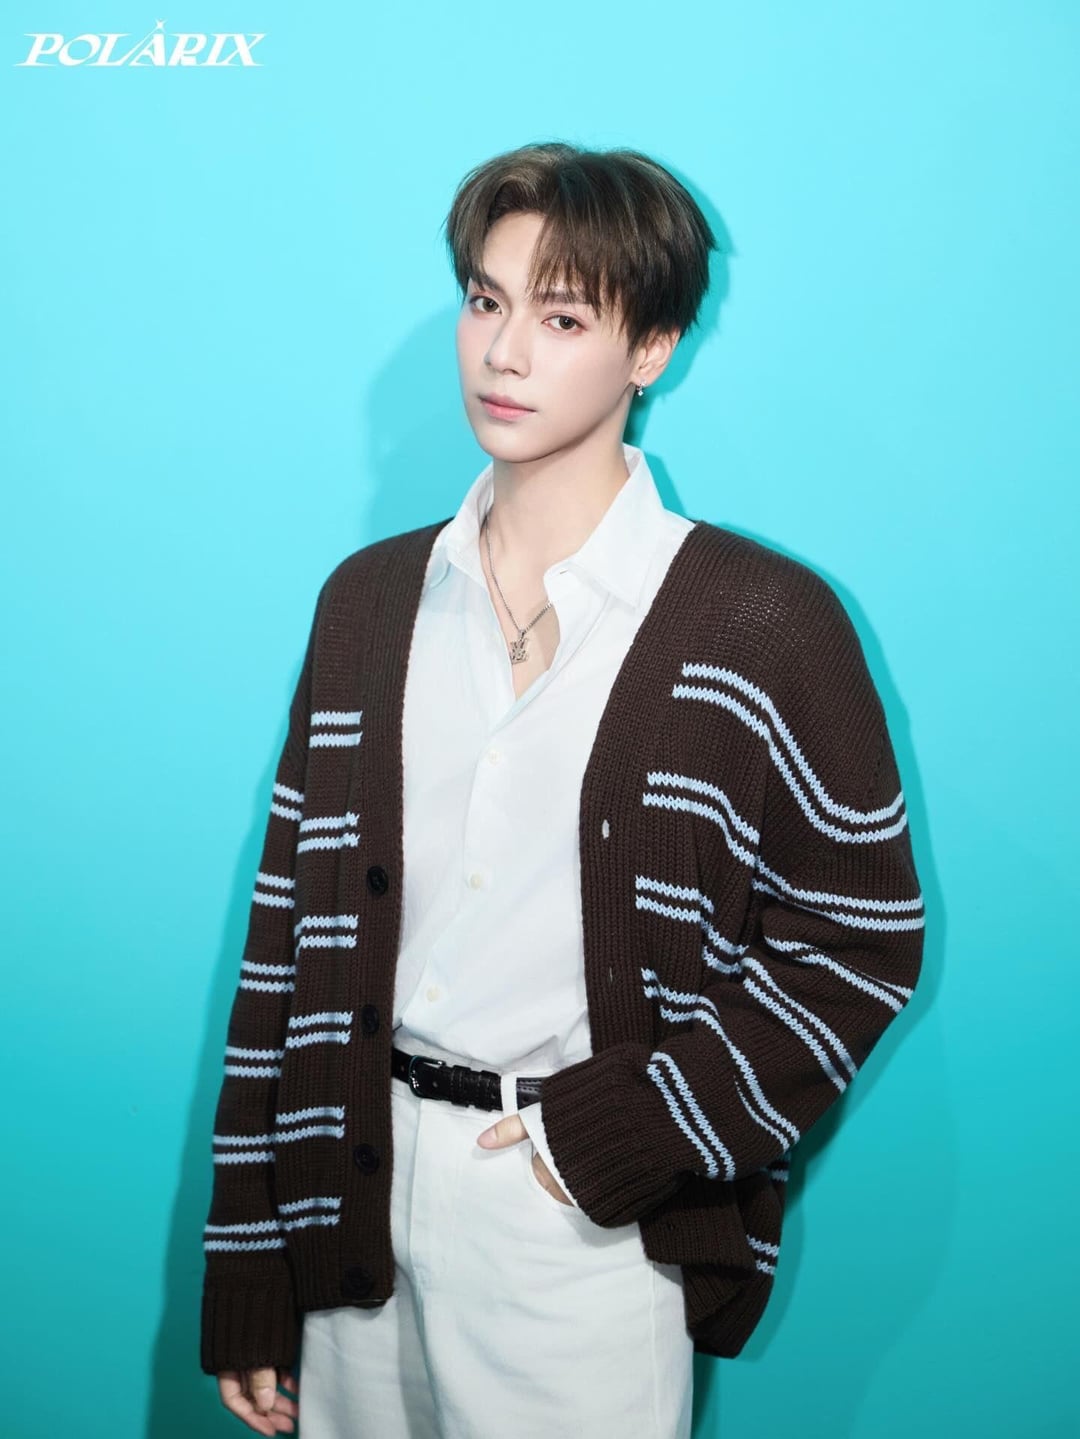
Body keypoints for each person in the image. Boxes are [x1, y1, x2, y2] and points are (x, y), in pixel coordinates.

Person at [200, 142, 925, 1437]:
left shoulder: (763, 624)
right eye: (486, 301)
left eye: (564, 317)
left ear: (652, 349)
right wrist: (253, 1255)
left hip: (575, 1218)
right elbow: (286, 947)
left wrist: (636, 1131)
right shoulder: (369, 603)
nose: (504, 352)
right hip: (351, 1194)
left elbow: (861, 940)